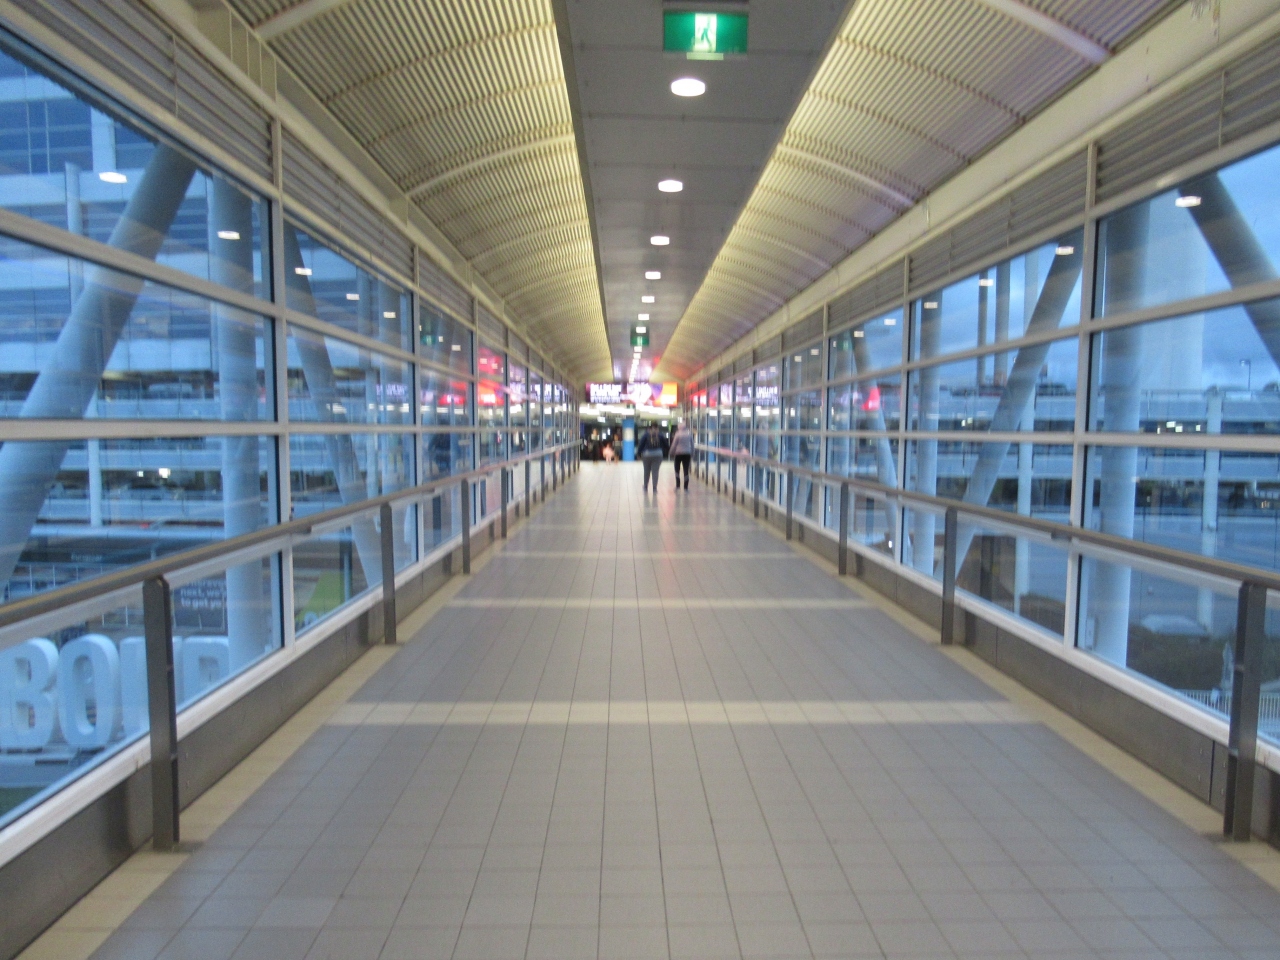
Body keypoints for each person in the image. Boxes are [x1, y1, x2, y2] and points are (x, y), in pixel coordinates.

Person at [635, 423, 668, 493]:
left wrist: (638, 454)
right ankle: (654, 488)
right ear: (657, 428)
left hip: (647, 455)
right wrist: (664, 452)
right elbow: (666, 445)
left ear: (649, 429)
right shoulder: (660, 435)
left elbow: (641, 444)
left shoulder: (646, 435)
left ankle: (645, 486)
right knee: (655, 471)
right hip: (658, 454)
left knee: (646, 471)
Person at [669, 422, 693, 490]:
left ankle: (678, 484)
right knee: (686, 469)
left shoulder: (677, 435)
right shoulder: (689, 434)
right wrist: (692, 452)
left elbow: (674, 445)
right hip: (687, 454)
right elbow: (692, 444)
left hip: (678, 454)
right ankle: (686, 486)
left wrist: (671, 452)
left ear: (679, 427)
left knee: (677, 469)